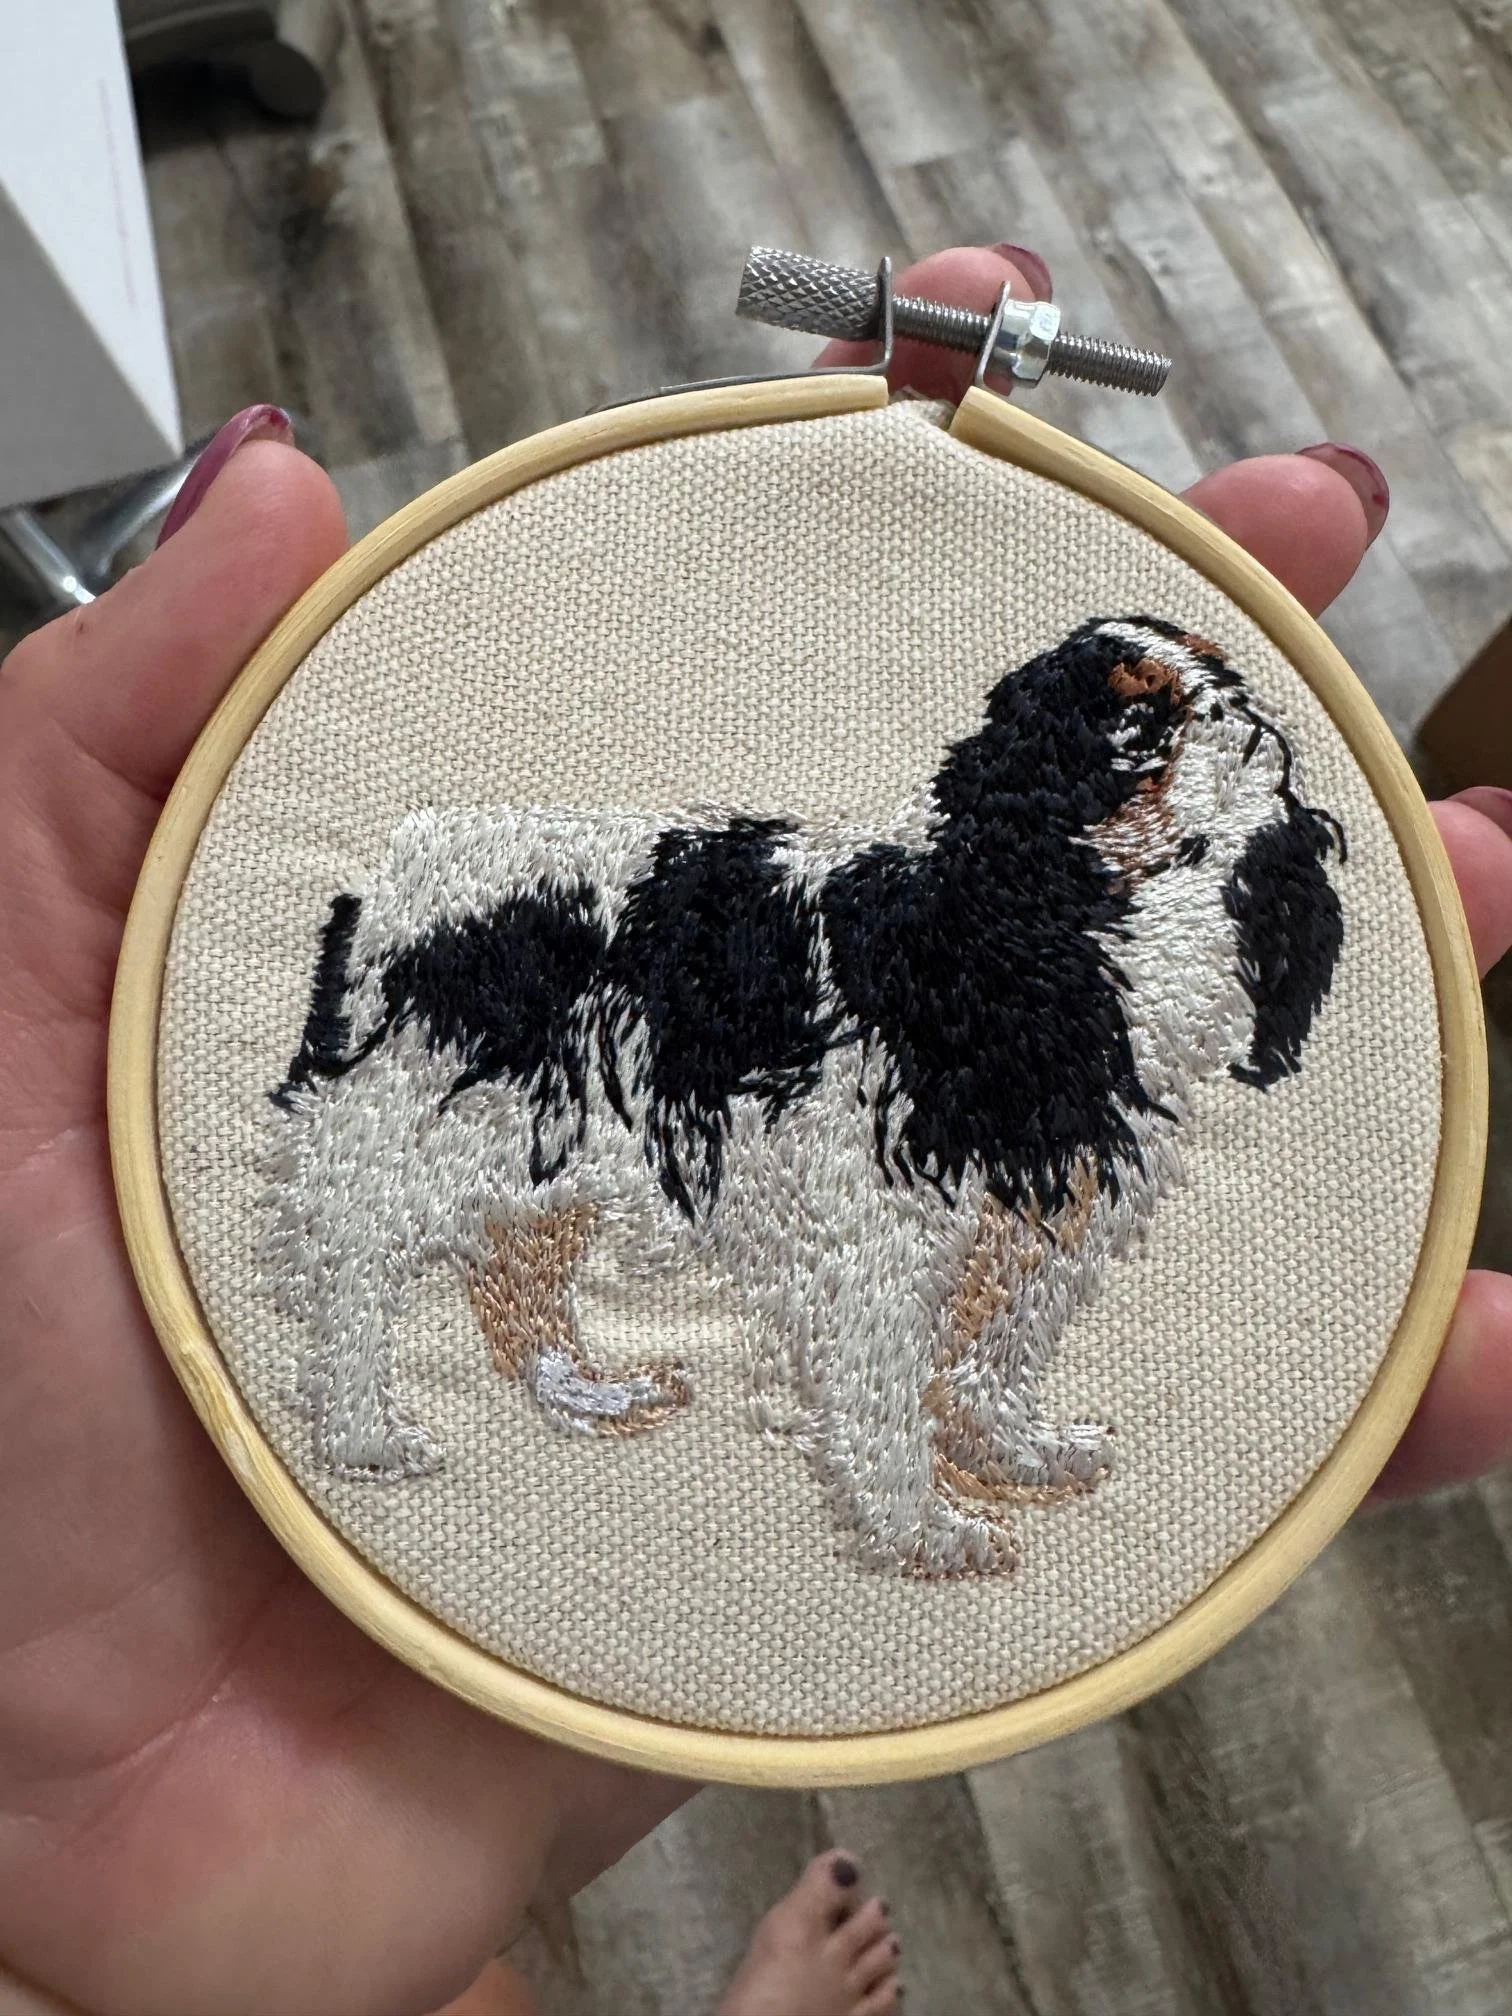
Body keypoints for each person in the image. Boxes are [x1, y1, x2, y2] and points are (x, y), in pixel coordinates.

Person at [2, 243, 1510, 2016]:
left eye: (1210, 717)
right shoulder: (937, 961)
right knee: (427, 1170)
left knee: (971, 1248)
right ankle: (379, 1374)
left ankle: (963, 1411)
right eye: (1151, 738)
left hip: (191, 1906)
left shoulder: (1103, 993)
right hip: (516, 933)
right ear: (1044, 806)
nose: (1216, 746)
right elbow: (868, 1264)